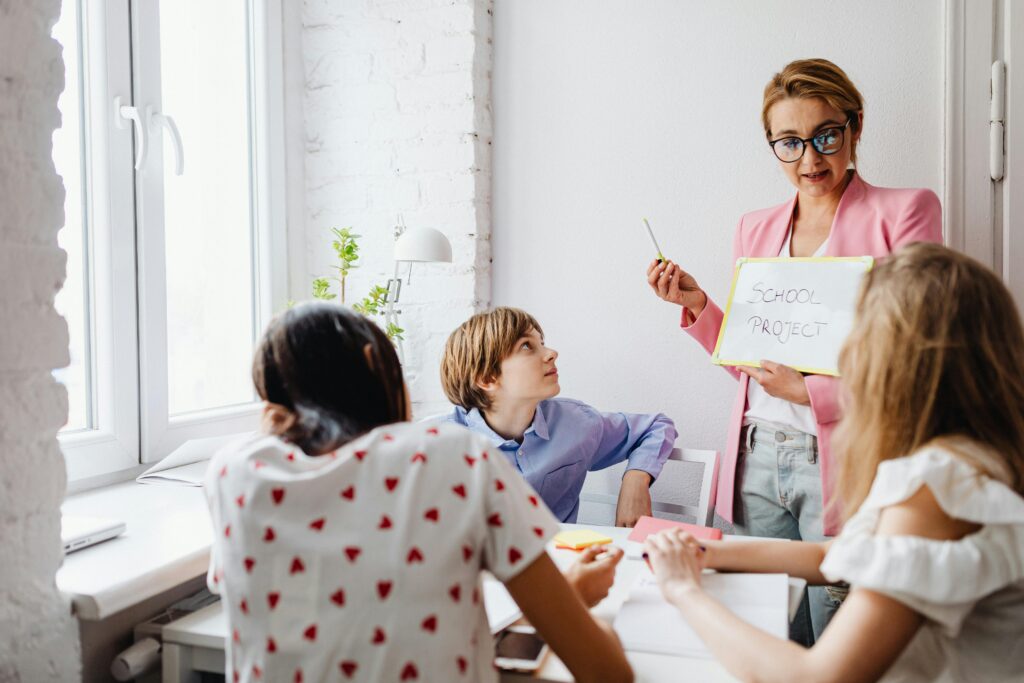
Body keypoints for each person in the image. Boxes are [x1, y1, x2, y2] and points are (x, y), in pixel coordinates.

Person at [645, 58, 942, 640]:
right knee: (768, 630)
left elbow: (920, 354)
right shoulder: (755, 228)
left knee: (841, 633)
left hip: (847, 456)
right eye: (790, 142)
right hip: (756, 455)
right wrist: (701, 306)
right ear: (772, 145)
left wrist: (815, 393)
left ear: (855, 128)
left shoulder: (904, 212)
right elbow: (757, 361)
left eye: (827, 136)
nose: (810, 159)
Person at [645, 243, 1024, 683]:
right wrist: (706, 551)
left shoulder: (937, 482)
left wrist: (682, 589)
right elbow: (836, 555)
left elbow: (816, 676)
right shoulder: (974, 455)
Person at [205, 303, 633, 683]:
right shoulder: (455, 455)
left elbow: (378, 626)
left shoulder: (235, 473)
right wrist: (574, 606)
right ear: (378, 366)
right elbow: (603, 671)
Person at [441, 306, 677, 527]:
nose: (552, 353)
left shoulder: (577, 423)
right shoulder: (436, 445)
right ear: (487, 378)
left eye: (541, 343)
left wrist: (635, 480)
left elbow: (656, 426)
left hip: (562, 564)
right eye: (526, 346)